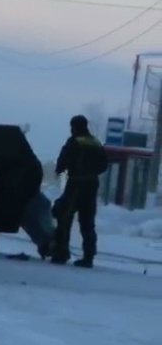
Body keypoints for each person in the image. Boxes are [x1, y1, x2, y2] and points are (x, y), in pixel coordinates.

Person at [51, 114, 108, 268]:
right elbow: (104, 165)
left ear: (73, 127)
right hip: (92, 184)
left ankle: (61, 253)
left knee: (64, 216)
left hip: (76, 183)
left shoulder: (74, 142)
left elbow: (62, 161)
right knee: (87, 221)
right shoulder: (96, 142)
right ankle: (88, 257)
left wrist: (61, 169)